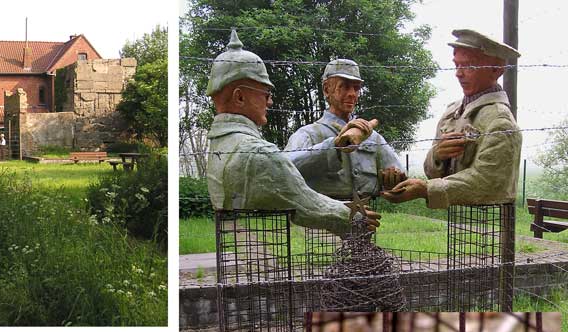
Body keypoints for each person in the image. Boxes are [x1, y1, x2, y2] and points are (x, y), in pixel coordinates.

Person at [206, 31, 380, 235]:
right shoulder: (257, 153)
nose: (270, 102)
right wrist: (354, 217)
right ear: (240, 97)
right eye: (266, 94)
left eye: (356, 88)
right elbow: (305, 202)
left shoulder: (219, 147)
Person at [383, 29, 521, 208]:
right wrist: (438, 155)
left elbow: (489, 181)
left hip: (491, 219)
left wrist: (425, 190)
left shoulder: (500, 121)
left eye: (469, 66)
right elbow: (431, 172)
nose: (458, 73)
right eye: (457, 65)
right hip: (457, 219)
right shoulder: (452, 112)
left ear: (496, 70)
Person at [285, 59, 406, 199]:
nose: (352, 94)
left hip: (367, 218)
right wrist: (331, 148)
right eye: (344, 87)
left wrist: (393, 178)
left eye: (356, 88)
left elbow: (401, 177)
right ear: (326, 89)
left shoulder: (372, 137)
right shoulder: (308, 134)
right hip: (322, 218)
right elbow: (284, 168)